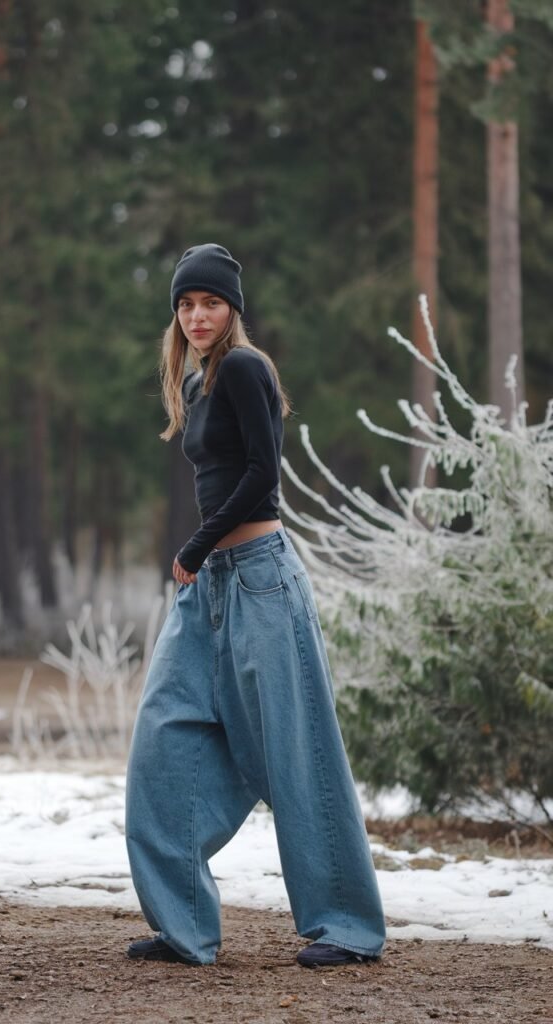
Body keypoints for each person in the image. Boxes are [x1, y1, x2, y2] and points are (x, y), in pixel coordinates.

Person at [125, 243, 386, 968]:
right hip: (209, 586)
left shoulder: (244, 367)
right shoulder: (200, 381)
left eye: (209, 303)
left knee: (296, 749)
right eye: (185, 305)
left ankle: (346, 926)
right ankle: (183, 926)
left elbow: (263, 476)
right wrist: (203, 559)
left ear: (232, 308)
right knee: (163, 740)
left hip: (261, 579)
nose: (197, 316)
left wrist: (197, 544)